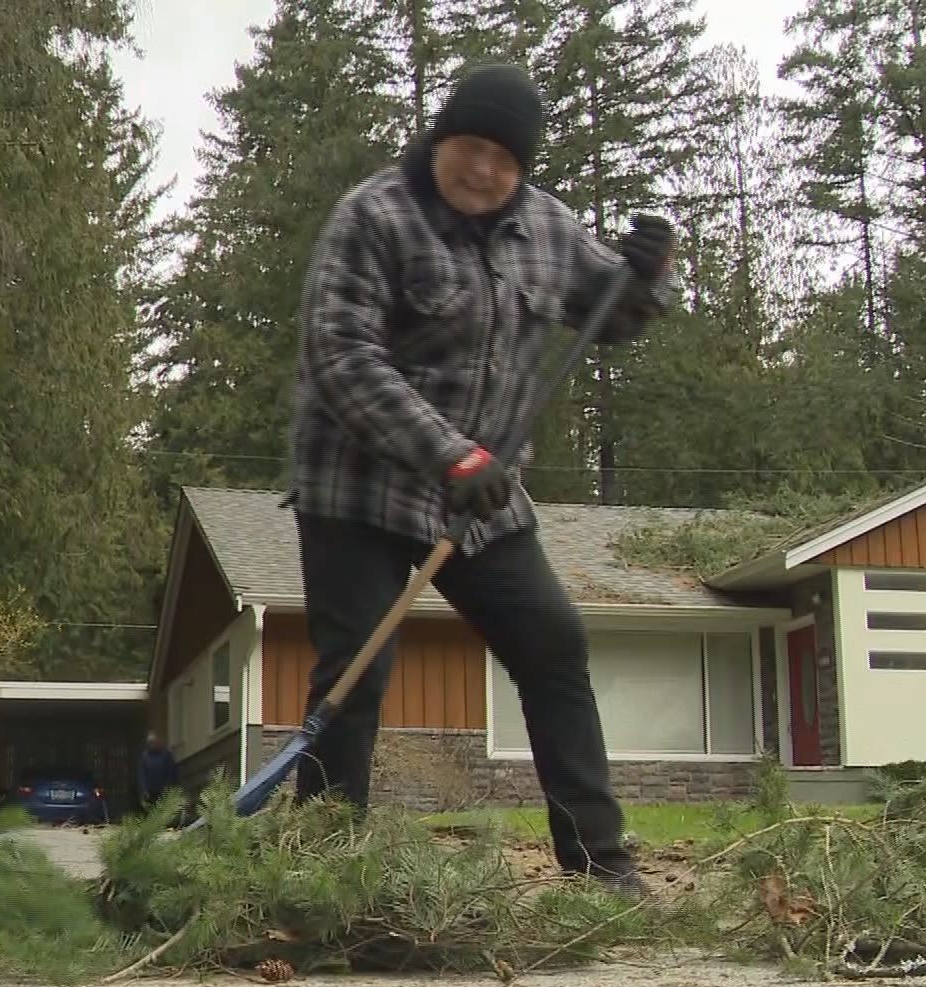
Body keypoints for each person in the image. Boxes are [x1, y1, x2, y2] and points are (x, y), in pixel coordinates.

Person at [283, 60, 678, 899]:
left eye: (505, 158)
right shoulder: (373, 217)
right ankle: (318, 875)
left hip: (482, 497)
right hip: (359, 487)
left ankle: (600, 865)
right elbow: (341, 358)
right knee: (356, 670)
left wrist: (645, 276)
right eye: (470, 147)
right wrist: (450, 453)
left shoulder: (546, 226)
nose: (484, 171)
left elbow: (617, 317)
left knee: (552, 645)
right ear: (439, 138)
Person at [137, 731, 180, 814]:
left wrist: (169, 787)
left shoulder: (166, 755)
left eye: (153, 742)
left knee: (164, 811)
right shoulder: (145, 756)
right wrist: (144, 789)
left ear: (158, 742)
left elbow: (171, 772)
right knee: (152, 811)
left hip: (164, 789)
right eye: (150, 743)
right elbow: (142, 774)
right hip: (150, 791)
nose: (152, 745)